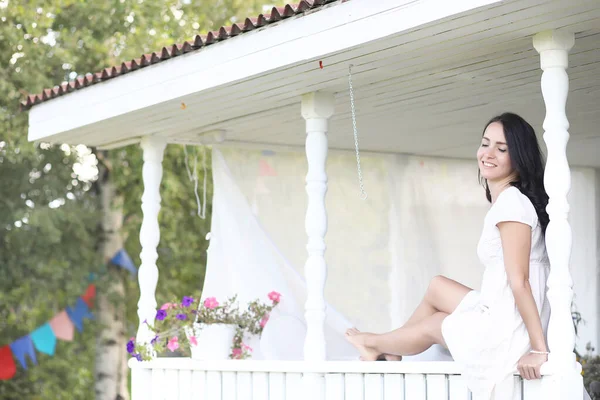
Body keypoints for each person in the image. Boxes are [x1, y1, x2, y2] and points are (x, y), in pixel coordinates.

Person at [346, 112, 554, 398]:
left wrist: (538, 349)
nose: (488, 153)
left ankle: (373, 342)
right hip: (500, 310)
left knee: (437, 324)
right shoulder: (509, 201)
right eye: (485, 144)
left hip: (509, 328)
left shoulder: (512, 205)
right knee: (437, 286)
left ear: (519, 158)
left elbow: (521, 282)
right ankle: (389, 349)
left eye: (501, 149)